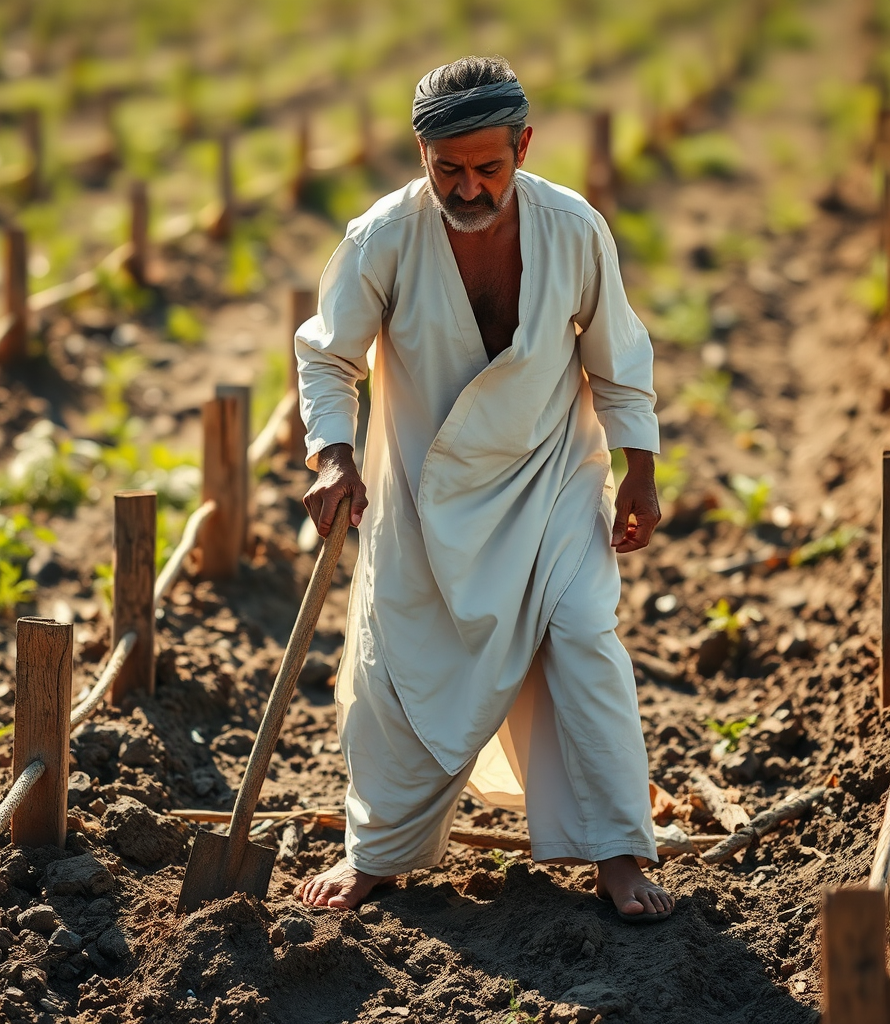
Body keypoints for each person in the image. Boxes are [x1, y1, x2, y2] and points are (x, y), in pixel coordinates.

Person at [292, 55, 674, 924]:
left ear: (524, 147)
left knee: (584, 641)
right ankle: (378, 854)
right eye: (448, 169)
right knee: (400, 671)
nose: (469, 188)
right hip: (425, 490)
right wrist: (333, 456)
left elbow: (619, 358)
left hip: (550, 479)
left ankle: (619, 852)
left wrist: (638, 471)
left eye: (489, 169)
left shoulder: (574, 229)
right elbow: (328, 357)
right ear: (422, 154)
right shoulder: (380, 238)